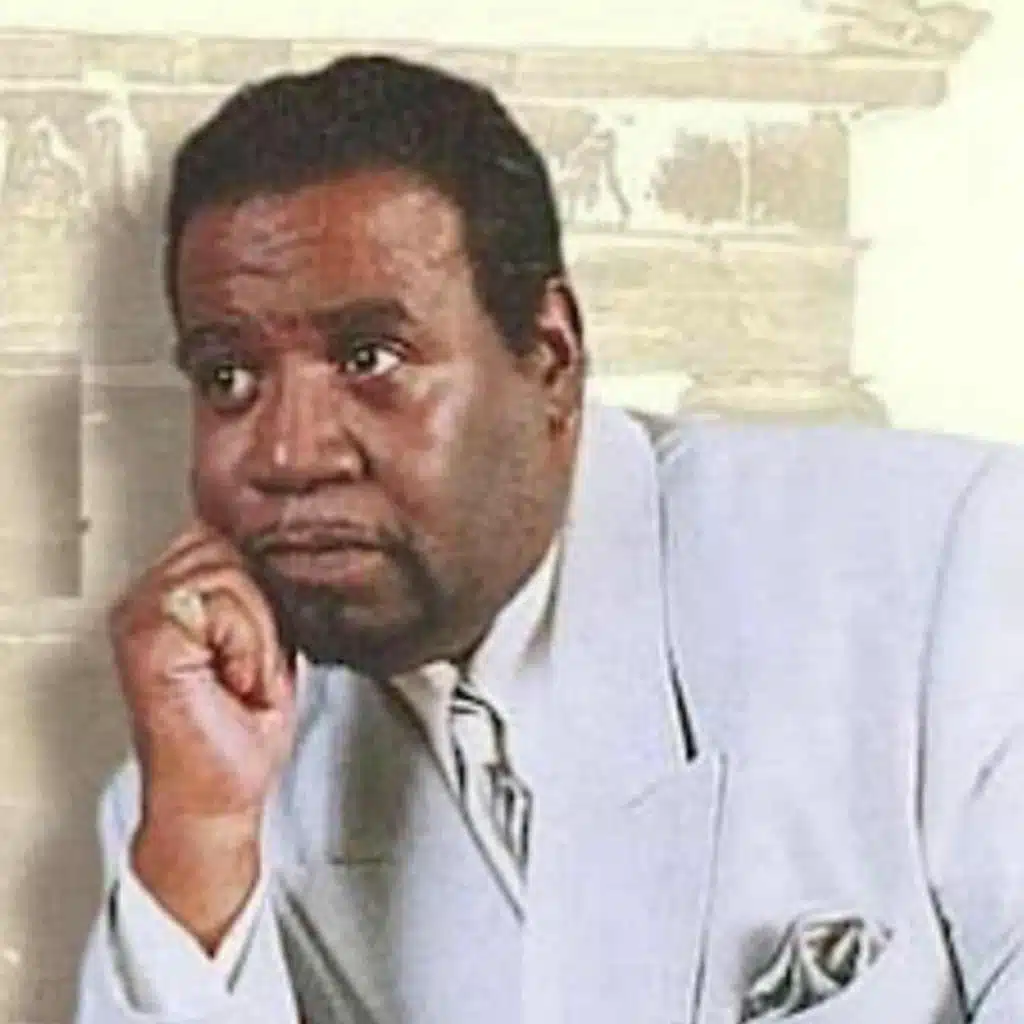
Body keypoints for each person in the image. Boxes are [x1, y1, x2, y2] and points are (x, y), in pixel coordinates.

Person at [73, 53, 1024, 1024]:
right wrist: (201, 838)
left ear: (551, 358)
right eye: (228, 377)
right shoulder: (208, 781)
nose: (287, 452)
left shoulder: (945, 567)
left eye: (369, 357)